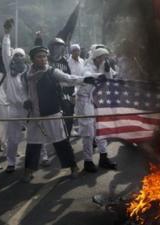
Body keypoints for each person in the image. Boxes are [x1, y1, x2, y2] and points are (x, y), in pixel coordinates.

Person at [21, 46, 100, 182]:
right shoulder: (26, 76)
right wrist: (26, 101)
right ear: (33, 59)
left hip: (52, 113)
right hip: (35, 114)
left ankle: (73, 167)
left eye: (44, 56)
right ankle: (29, 171)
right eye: (39, 57)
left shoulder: (52, 71)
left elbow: (69, 79)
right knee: (33, 144)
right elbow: (24, 91)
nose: (43, 59)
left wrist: (85, 80)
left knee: (61, 142)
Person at [76, 47, 117, 172]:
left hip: (97, 100)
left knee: (101, 129)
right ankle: (88, 161)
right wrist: (101, 75)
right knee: (88, 133)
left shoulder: (103, 65)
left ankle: (103, 158)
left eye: (106, 57)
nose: (105, 60)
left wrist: (108, 70)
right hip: (85, 101)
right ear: (97, 58)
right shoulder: (88, 67)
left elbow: (111, 78)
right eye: (103, 57)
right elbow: (88, 76)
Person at [1, 19, 29, 173]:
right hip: (13, 109)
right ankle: (11, 162)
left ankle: (40, 158)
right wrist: (6, 34)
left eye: (20, 55)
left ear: (24, 58)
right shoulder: (9, 70)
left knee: (34, 134)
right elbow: (5, 51)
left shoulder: (27, 71)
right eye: (15, 55)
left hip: (27, 109)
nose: (18, 57)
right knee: (13, 138)